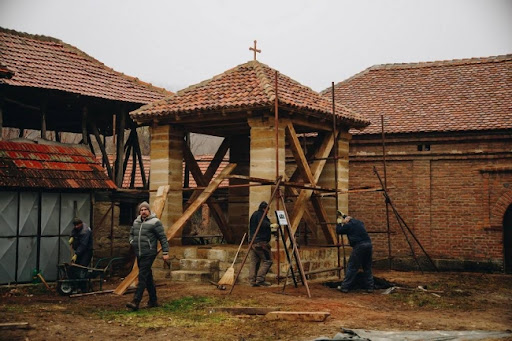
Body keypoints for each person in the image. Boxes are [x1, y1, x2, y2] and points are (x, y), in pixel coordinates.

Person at [126, 201, 169, 311]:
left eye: (145, 209)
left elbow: (162, 238)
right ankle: (153, 300)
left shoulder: (155, 222)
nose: (143, 211)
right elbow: (131, 233)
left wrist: (165, 252)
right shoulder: (136, 222)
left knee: (142, 276)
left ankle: (136, 301)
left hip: (149, 253)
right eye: (141, 210)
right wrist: (132, 241)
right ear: (139, 212)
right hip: (139, 252)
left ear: (149, 211)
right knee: (147, 277)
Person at [336, 211, 374, 293]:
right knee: (367, 267)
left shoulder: (348, 226)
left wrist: (339, 223)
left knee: (352, 266)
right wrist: (344, 216)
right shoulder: (359, 222)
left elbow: (339, 231)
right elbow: (352, 221)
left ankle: (345, 287)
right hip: (368, 245)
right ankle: (370, 287)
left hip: (359, 246)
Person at [248, 201, 278, 287]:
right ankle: (260, 279)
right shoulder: (261, 215)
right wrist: (272, 225)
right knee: (268, 261)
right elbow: (263, 224)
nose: (268, 212)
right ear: (265, 209)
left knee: (254, 261)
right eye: (267, 210)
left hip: (253, 241)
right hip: (260, 242)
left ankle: (252, 280)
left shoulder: (254, 215)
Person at [68, 218, 93, 292]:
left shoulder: (85, 231)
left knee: (82, 268)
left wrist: (76, 254)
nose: (76, 227)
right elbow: (74, 232)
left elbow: (83, 245)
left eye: (77, 225)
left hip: (86, 252)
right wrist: (72, 237)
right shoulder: (77, 228)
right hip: (79, 251)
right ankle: (76, 286)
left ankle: (84, 288)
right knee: (75, 267)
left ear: (81, 224)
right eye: (75, 225)